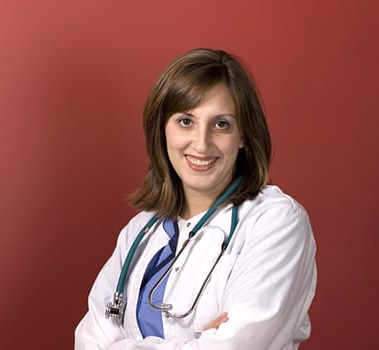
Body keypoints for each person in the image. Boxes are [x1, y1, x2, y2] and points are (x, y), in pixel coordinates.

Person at [75, 48, 317, 350]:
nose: (201, 144)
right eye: (186, 122)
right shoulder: (140, 231)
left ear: (243, 135)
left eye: (221, 124)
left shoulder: (275, 223)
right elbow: (87, 341)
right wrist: (199, 342)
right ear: (163, 130)